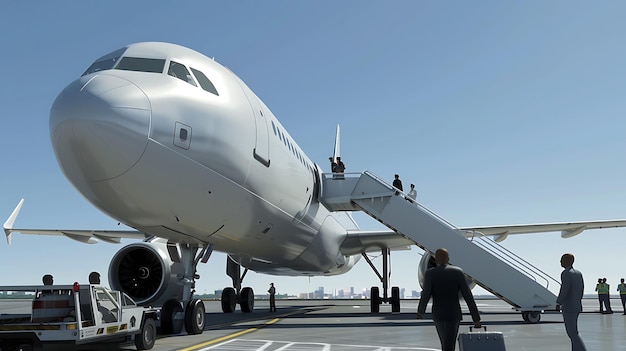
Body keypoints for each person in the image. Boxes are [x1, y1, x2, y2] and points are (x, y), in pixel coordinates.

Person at [417, 248, 481, 351]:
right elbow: (468, 296)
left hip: (438, 314)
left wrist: (420, 311)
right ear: (448, 259)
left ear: (436, 259)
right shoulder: (458, 272)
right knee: (450, 343)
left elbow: (426, 294)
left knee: (445, 342)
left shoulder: (430, 273)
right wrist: (476, 318)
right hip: (454, 314)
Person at [556, 253, 587, 351]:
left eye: (562, 259)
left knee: (572, 332)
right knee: (574, 331)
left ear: (567, 261)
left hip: (568, 306)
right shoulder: (578, 273)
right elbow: (581, 289)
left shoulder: (566, 273)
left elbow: (564, 289)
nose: (560, 261)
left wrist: (558, 302)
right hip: (577, 305)